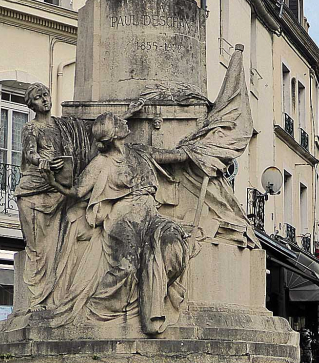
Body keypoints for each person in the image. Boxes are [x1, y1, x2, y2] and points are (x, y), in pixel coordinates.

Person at [46, 112, 189, 335]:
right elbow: (77, 191)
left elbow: (175, 156)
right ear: (112, 134)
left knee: (172, 246)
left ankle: (154, 297)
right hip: (123, 219)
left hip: (151, 215)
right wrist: (52, 180)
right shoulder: (101, 163)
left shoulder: (140, 152)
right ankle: (101, 308)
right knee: (127, 266)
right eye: (118, 121)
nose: (124, 122)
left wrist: (200, 154)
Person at [14, 84, 91, 309]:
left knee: (56, 246)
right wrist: (43, 162)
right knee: (37, 247)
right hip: (34, 190)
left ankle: (56, 296)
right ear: (32, 104)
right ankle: (37, 297)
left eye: (45, 95)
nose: (45, 101)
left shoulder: (61, 126)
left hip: (57, 190)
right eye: (38, 98)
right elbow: (30, 154)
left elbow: (91, 131)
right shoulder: (31, 128)